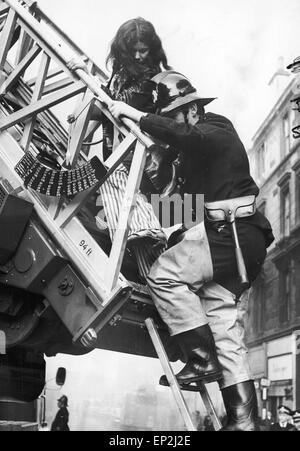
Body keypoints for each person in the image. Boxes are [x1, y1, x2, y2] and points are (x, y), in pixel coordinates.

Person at [108, 70, 275, 431]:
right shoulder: (201, 159)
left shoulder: (217, 128)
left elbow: (184, 136)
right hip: (241, 243)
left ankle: (200, 361)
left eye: (171, 117)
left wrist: (134, 114)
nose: (169, 127)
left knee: (164, 276)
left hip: (231, 234)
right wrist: (144, 180)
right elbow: (180, 210)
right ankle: (243, 420)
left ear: (192, 110)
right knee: (223, 322)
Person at [67, 18, 173, 281]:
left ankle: (150, 250)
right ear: (123, 50)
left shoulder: (155, 81)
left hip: (144, 162)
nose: (138, 55)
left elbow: (109, 106)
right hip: (123, 158)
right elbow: (103, 108)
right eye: (133, 49)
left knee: (152, 226)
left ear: (153, 49)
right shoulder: (121, 75)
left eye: (144, 49)